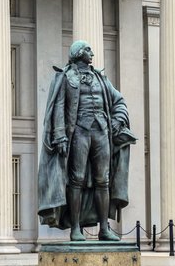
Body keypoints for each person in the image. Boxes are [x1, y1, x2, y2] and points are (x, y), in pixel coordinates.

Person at [37, 40, 136, 241]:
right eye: (88, 50)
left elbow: (119, 101)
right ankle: (75, 228)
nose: (92, 53)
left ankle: (104, 228)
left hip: (101, 132)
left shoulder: (101, 78)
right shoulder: (66, 77)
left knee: (103, 180)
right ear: (79, 53)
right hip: (79, 133)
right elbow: (58, 107)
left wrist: (117, 120)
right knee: (77, 180)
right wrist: (60, 135)